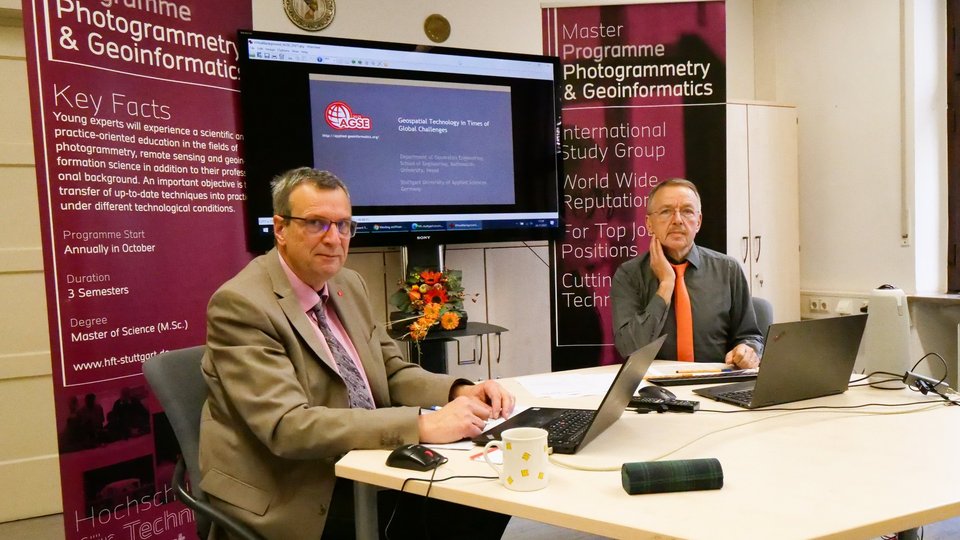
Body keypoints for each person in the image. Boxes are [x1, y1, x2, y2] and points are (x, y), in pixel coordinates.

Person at [199, 167, 514, 539]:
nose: (334, 239)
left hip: (362, 460)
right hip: (296, 489)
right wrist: (421, 425)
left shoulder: (347, 283)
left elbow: (390, 371)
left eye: (344, 225)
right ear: (280, 228)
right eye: (316, 223)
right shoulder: (241, 304)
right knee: (462, 508)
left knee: (490, 494)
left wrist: (459, 391)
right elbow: (288, 427)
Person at [611, 178, 763, 368]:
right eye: (666, 211)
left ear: (698, 222)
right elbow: (629, 347)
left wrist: (747, 350)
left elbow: (749, 336)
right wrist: (666, 284)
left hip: (716, 380)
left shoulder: (728, 270)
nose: (677, 220)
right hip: (653, 382)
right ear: (649, 224)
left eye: (687, 211)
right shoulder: (629, 275)